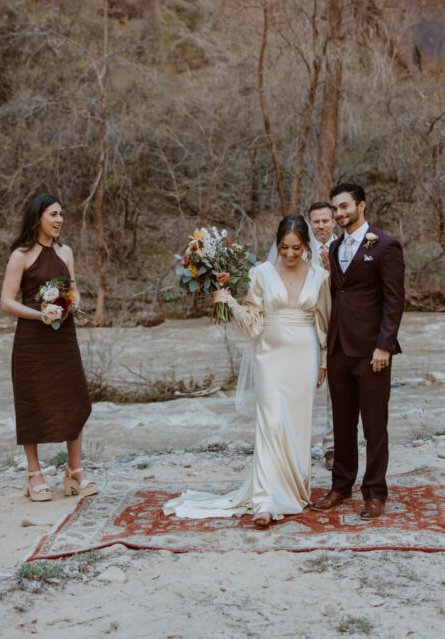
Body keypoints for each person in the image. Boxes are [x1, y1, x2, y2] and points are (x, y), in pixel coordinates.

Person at [164, 213, 330, 529]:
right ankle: (266, 500)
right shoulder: (261, 273)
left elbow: (323, 323)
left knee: (297, 427)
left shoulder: (320, 277)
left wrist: (323, 362)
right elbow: (253, 323)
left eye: (296, 248)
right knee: (269, 424)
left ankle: (295, 492)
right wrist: (229, 301)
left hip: (305, 358)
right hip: (270, 357)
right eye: (284, 247)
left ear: (305, 245)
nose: (291, 254)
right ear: (277, 245)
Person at [312, 182, 405, 520]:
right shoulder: (334, 248)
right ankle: (340, 486)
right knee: (342, 422)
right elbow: (339, 295)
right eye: (335, 208)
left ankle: (375, 492)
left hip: (371, 351)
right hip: (339, 349)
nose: (338, 213)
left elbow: (394, 302)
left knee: (375, 425)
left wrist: (384, 345)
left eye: (344, 206)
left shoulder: (385, 246)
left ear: (361, 206)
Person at [0, 194, 95, 502]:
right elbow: (6, 301)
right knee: (33, 402)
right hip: (32, 340)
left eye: (61, 215)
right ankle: (34, 474)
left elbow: (74, 287)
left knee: (75, 398)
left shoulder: (65, 251)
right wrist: (40, 313)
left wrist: (74, 303)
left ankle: (75, 471)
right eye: (53, 214)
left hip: (64, 337)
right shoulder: (21, 255)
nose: (59, 220)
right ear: (37, 218)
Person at [308, 201, 338, 471]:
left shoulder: (346, 248)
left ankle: (332, 448)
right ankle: (295, 446)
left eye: (325, 221)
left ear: (334, 221)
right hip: (308, 327)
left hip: (339, 327)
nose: (321, 226)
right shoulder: (300, 252)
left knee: (337, 392)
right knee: (304, 387)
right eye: (315, 221)